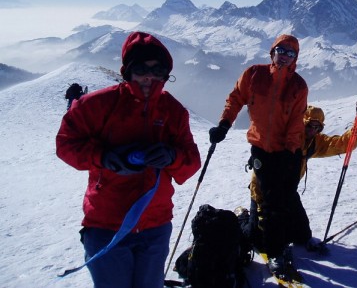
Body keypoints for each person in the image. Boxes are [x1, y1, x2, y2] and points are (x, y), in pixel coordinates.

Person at [56, 31, 201, 288]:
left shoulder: (174, 111)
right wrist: (103, 157)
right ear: (128, 70)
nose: (149, 76)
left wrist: (171, 157)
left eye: (158, 70)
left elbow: (191, 163)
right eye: (142, 68)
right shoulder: (97, 105)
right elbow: (66, 144)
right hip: (106, 225)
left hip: (155, 225)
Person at [208, 34, 308, 277]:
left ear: (295, 58)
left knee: (283, 201)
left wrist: (291, 151)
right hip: (261, 149)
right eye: (281, 50)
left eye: (290, 53)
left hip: (287, 152)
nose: (284, 56)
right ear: (272, 51)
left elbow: (296, 121)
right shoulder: (254, 74)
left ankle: (273, 234)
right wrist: (224, 124)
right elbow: (235, 99)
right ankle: (276, 251)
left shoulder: (298, 86)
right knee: (274, 202)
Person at [238, 98, 357, 254]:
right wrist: (260, 202)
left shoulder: (315, 142)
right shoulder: (282, 138)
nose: (313, 130)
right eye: (310, 125)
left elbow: (343, 144)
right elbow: (259, 174)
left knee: (302, 236)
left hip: (288, 192)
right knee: (259, 240)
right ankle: (242, 218)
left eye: (318, 127)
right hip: (265, 192)